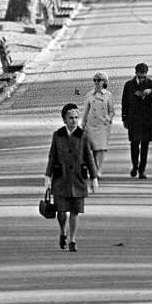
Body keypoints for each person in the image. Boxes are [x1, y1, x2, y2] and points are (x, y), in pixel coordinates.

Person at [44, 103, 98, 252]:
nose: (74, 121)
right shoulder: (58, 135)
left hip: (78, 179)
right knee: (61, 211)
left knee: (75, 211)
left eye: (76, 117)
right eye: (70, 118)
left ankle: (73, 240)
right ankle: (63, 232)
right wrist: (48, 176)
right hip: (61, 179)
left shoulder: (83, 135)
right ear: (64, 120)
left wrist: (94, 177)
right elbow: (52, 156)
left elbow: (89, 156)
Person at [121, 62, 152, 179]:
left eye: (144, 76)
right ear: (136, 73)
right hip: (133, 119)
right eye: (140, 76)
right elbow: (124, 102)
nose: (142, 78)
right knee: (134, 144)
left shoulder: (151, 84)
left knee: (145, 145)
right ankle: (135, 166)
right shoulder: (128, 85)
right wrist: (124, 118)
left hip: (146, 120)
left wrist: (151, 91)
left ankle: (142, 170)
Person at [80, 72, 115, 176]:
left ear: (104, 82)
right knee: (93, 148)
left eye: (99, 80)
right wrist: (83, 124)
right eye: (94, 80)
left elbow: (111, 110)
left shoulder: (108, 95)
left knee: (101, 148)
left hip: (103, 125)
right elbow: (85, 111)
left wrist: (109, 119)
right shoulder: (89, 95)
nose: (96, 82)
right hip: (91, 124)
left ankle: (98, 169)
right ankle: (94, 168)